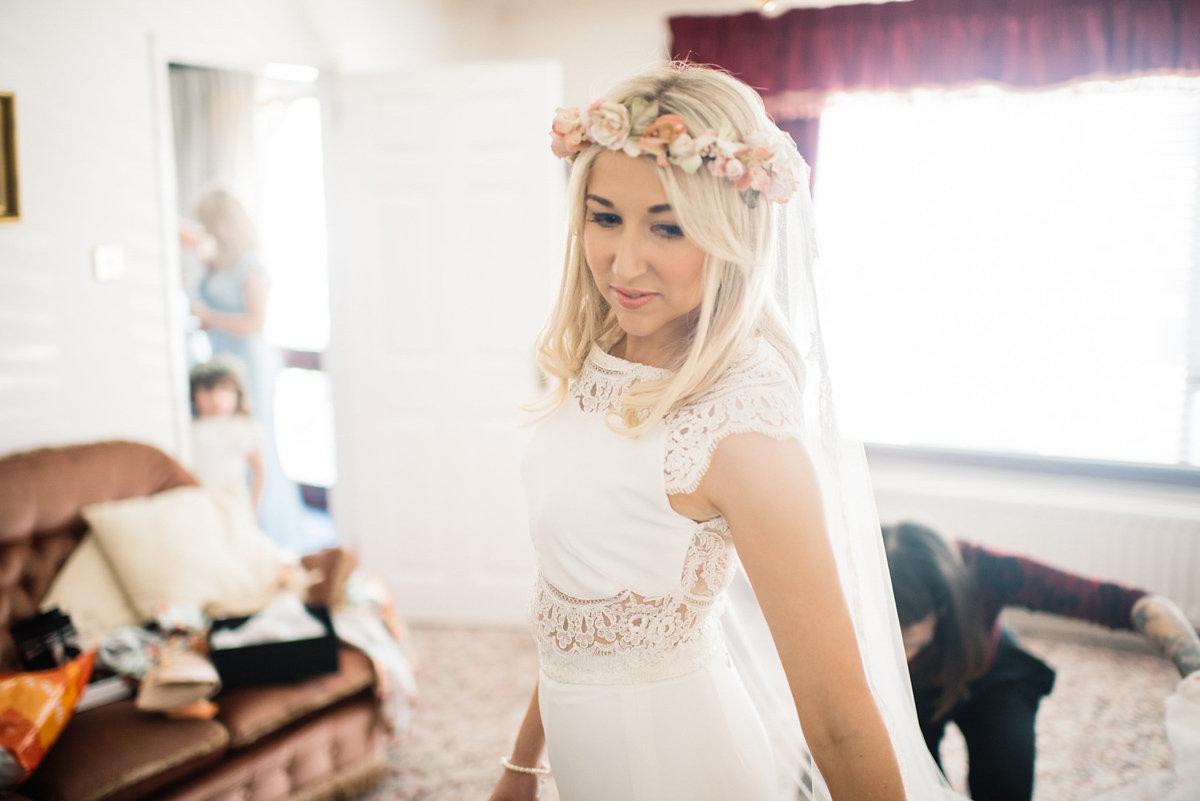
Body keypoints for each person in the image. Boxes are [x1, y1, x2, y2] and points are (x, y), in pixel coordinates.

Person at [489, 63, 963, 801]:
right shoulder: (603, 349)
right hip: (583, 761)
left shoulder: (744, 428)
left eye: (668, 226)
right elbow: (578, 610)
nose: (625, 261)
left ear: (731, 227)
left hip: (676, 769)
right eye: (606, 215)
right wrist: (523, 767)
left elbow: (838, 717)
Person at [883, 520, 1200, 801]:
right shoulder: (851, 585)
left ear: (942, 605)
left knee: (1005, 780)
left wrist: (1194, 669)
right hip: (902, 692)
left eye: (907, 639)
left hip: (991, 679)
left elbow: (1124, 603)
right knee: (907, 784)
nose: (900, 651)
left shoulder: (989, 570)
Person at [182, 188, 308, 550]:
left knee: (255, 440)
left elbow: (257, 322)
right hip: (221, 359)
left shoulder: (250, 265)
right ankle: (237, 531)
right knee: (226, 443)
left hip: (249, 362)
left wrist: (210, 318)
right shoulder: (214, 262)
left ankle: (272, 535)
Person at [189, 359, 264, 505]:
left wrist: (253, 504)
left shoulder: (243, 427)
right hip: (199, 498)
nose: (215, 398)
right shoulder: (191, 427)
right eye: (207, 389)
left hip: (232, 499)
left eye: (225, 388)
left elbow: (259, 471)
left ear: (238, 393)